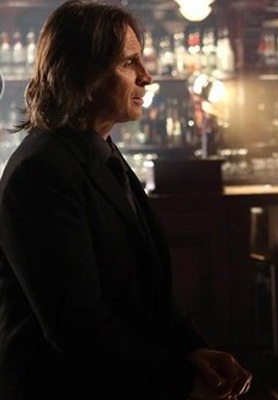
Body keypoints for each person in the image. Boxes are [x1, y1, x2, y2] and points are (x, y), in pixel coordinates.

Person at [0, 1, 252, 399]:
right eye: (129, 63)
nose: (146, 77)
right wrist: (182, 381)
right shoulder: (41, 172)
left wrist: (191, 349)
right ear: (82, 72)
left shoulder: (100, 151)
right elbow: (77, 326)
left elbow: (145, 290)